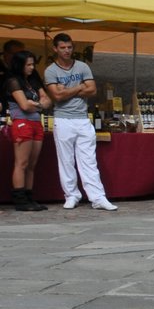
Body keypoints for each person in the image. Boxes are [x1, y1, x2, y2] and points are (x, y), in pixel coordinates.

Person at [43, 33, 116, 211]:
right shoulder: (51, 70)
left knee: (89, 160)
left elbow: (92, 90)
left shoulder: (82, 66)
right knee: (66, 160)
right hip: (62, 119)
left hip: (83, 119)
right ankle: (72, 195)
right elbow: (57, 96)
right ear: (55, 49)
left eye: (69, 47)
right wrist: (79, 87)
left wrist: (67, 89)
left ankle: (98, 197)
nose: (67, 51)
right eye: (62, 47)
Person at [5, 51, 52, 211]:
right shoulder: (13, 81)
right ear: (20, 65)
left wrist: (36, 103)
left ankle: (29, 196)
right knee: (22, 163)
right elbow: (24, 105)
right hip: (22, 122)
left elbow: (47, 101)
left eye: (33, 64)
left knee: (32, 163)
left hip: (35, 122)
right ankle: (20, 198)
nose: (32, 67)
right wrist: (39, 103)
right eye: (28, 65)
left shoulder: (32, 80)